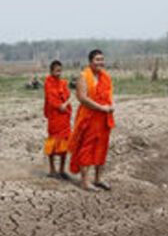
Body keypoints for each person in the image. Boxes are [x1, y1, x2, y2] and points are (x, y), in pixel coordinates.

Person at [68, 48, 115, 192]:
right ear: (90, 61)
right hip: (89, 118)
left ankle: (98, 179)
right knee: (86, 148)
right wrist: (101, 108)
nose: (100, 62)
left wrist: (111, 105)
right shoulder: (84, 76)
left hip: (103, 119)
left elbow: (109, 95)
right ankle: (85, 182)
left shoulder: (105, 77)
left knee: (102, 148)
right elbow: (82, 98)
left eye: (102, 59)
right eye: (97, 60)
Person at [42, 60, 72, 179]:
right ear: (51, 71)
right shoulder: (48, 83)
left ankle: (62, 169)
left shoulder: (63, 83)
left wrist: (65, 104)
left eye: (60, 71)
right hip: (54, 116)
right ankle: (52, 169)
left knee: (65, 142)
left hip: (64, 116)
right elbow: (50, 99)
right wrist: (60, 105)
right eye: (56, 71)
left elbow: (67, 95)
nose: (59, 73)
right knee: (53, 142)